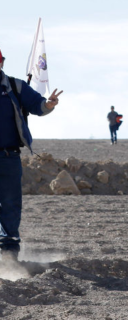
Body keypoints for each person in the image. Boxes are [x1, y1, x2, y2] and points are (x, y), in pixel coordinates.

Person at [0, 49, 62, 261]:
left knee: (10, 204)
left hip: (8, 157)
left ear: (1, 63)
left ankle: (8, 255)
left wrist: (49, 104)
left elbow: (38, 105)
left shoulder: (15, 87)